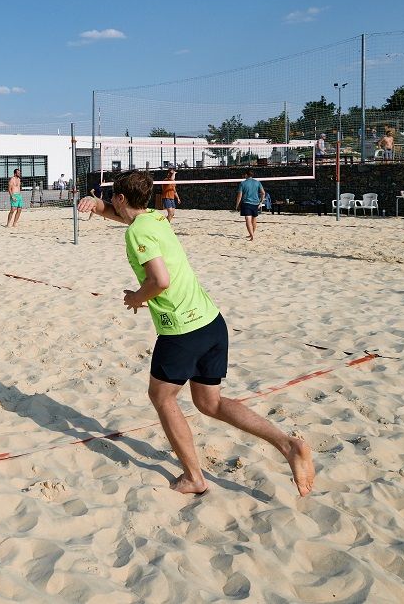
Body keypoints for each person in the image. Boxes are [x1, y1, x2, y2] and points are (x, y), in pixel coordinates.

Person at [76, 171, 314, 496]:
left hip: (182, 330)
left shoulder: (136, 233)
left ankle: (194, 477)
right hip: (211, 322)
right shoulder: (156, 219)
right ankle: (289, 445)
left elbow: (160, 281)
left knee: (161, 397)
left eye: (113, 198)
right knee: (210, 403)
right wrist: (98, 205)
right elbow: (129, 219)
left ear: (120, 198)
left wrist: (135, 297)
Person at [234, 169, 265, 241]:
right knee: (254, 219)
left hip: (246, 203)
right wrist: (261, 202)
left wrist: (237, 205)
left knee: (248, 219)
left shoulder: (243, 183)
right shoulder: (257, 182)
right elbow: (263, 193)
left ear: (246, 175)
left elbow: (239, 196)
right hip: (255, 203)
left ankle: (252, 235)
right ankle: (252, 234)